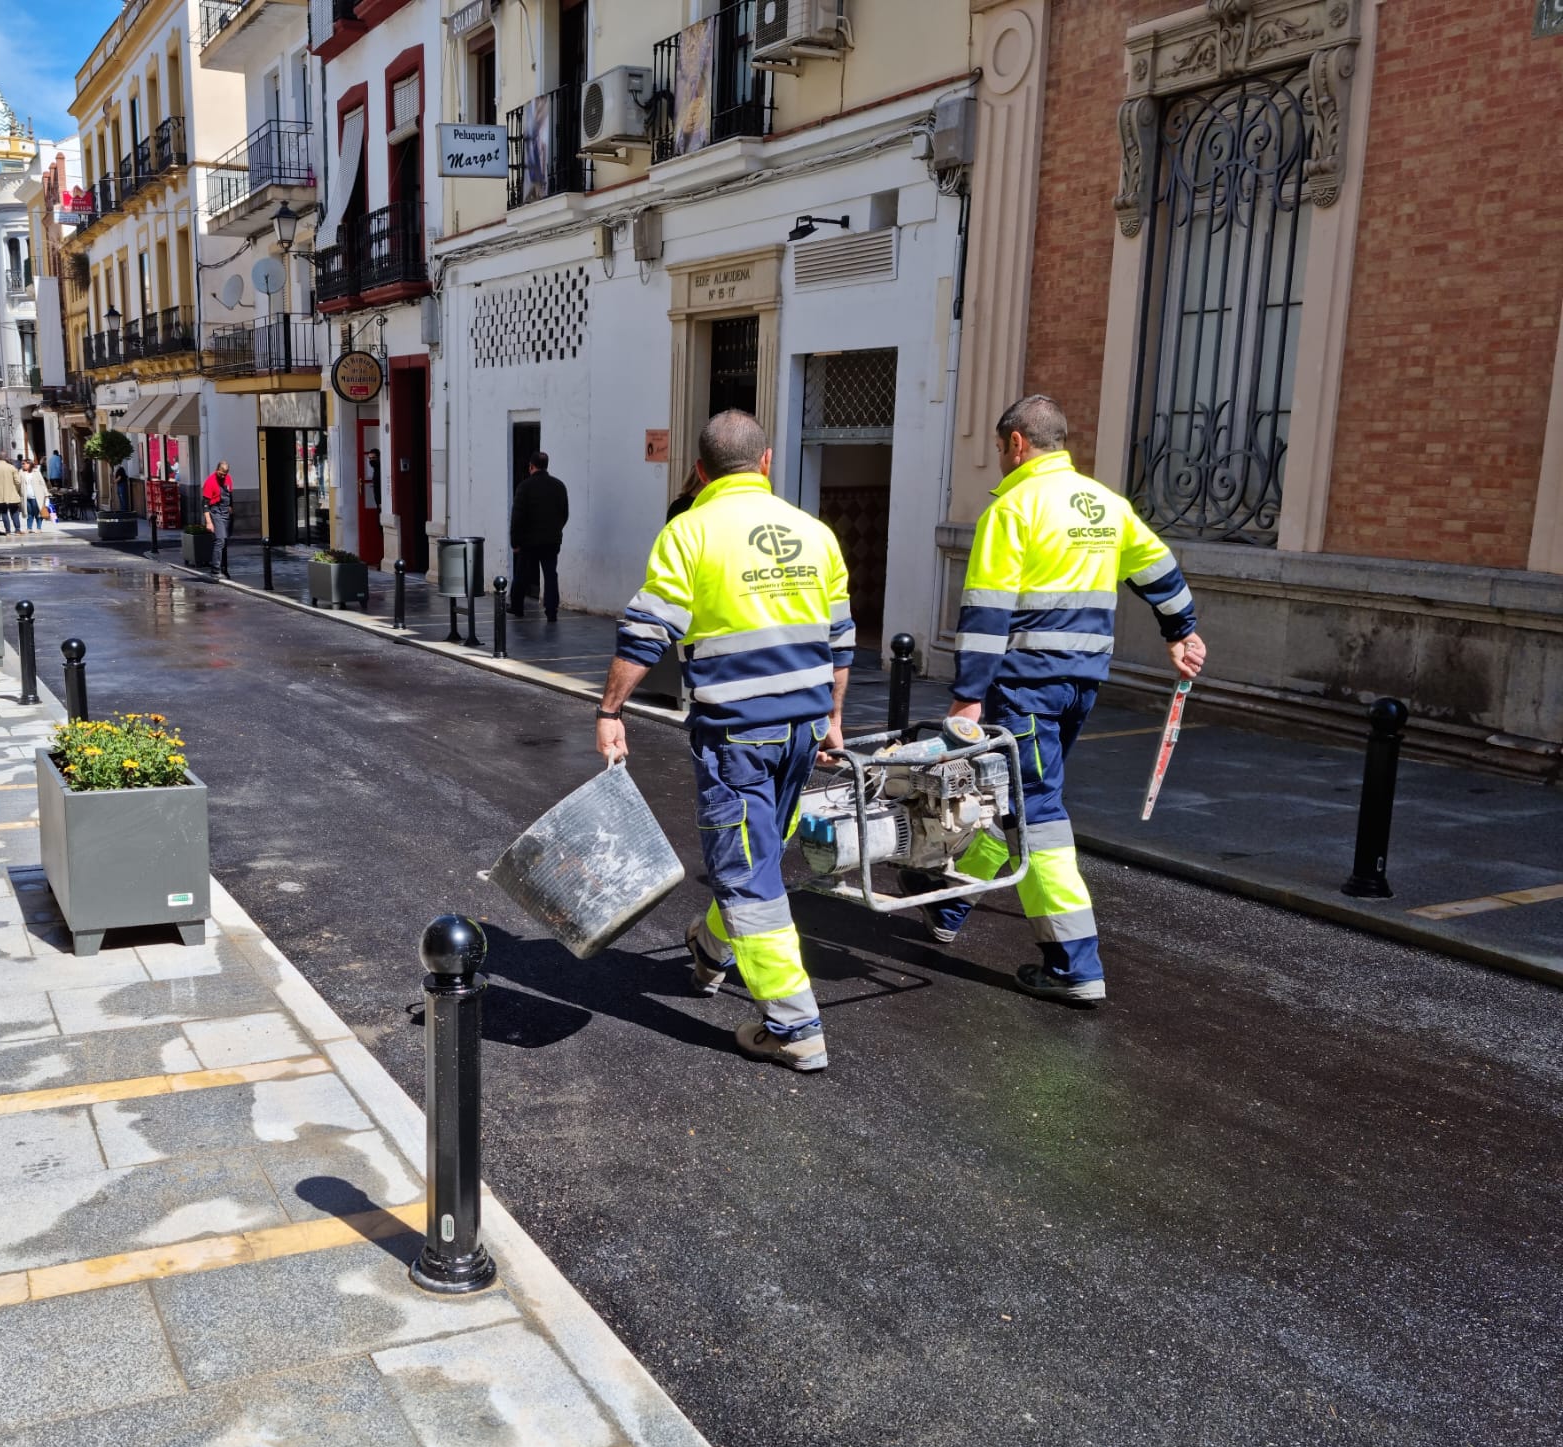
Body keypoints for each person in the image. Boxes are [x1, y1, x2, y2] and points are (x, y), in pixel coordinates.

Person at [914, 394, 1207, 1005]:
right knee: (1010, 796)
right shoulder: (1106, 504)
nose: (1000, 460)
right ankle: (950, 906)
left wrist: (967, 697)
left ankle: (1075, 965)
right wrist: (1182, 631)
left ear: (1017, 444)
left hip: (1024, 685)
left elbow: (988, 612)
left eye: (999, 449)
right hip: (1081, 683)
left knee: (1037, 813)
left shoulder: (1014, 507)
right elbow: (1159, 568)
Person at [597, 410, 854, 1074]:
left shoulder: (691, 533)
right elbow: (841, 642)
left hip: (738, 736)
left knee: (745, 874)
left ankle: (794, 1026)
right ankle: (711, 952)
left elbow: (646, 632)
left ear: (703, 470)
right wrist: (832, 720)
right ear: (766, 463)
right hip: (801, 731)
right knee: (760, 856)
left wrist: (610, 709)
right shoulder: (815, 534)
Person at [508, 451, 569, 621]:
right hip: (551, 541)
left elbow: (517, 517)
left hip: (529, 542)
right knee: (550, 576)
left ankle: (517, 607)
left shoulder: (524, 487)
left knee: (522, 574)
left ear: (531, 466)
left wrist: (515, 541)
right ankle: (551, 611)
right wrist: (555, 530)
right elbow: (564, 514)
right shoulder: (559, 486)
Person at [201, 461, 233, 576]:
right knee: (220, 540)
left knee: (225, 541)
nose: (223, 476)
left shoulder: (228, 479)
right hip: (215, 511)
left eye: (225, 474)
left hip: (226, 512)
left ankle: (224, 568)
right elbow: (204, 504)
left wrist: (231, 507)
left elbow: (230, 494)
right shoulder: (210, 482)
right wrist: (209, 522)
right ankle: (215, 570)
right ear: (217, 470)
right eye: (221, 474)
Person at [0, 452, 22, 537]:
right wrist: (16, 490)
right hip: (12, 494)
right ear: (7, 458)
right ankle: (17, 530)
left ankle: (8, 531)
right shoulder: (12, 468)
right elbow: (18, 481)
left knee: (4, 512)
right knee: (14, 512)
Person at [20, 457, 50, 532]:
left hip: (36, 496)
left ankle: (39, 528)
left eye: (24, 464)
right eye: (22, 464)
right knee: (29, 513)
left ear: (29, 464)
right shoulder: (20, 472)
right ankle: (29, 528)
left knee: (38, 512)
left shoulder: (36, 472)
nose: (22, 465)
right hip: (26, 497)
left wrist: (46, 494)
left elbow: (42, 483)